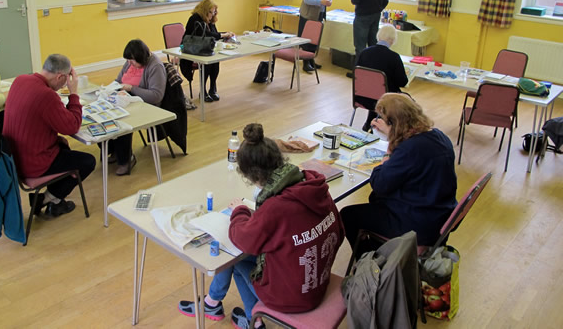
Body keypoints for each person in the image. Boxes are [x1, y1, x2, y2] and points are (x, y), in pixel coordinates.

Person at [178, 124, 344, 329]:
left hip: (293, 297)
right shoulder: (314, 187)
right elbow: (339, 234)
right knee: (246, 257)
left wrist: (240, 210)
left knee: (235, 260)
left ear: (254, 178)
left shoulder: (276, 207)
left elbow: (244, 240)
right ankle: (222, 307)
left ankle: (242, 316)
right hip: (319, 280)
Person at [340, 93, 457, 251]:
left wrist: (390, 147)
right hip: (439, 215)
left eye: (381, 117)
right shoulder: (439, 136)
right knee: (375, 201)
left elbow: (379, 184)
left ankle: (369, 262)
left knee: (348, 215)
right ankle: (380, 250)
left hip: (418, 224)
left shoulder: (410, 149)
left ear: (394, 123)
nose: (377, 121)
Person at [3, 54, 96, 217]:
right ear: (60, 76)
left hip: (13, 156)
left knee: (63, 147)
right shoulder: (47, 95)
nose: (62, 87)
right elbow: (72, 126)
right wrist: (73, 93)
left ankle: (55, 201)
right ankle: (47, 198)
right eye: (64, 82)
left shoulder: (21, 80)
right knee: (88, 162)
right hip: (33, 163)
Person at [109, 39, 166, 175]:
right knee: (106, 113)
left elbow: (156, 96)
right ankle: (114, 150)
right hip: (127, 98)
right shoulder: (130, 62)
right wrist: (110, 90)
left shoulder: (155, 66)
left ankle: (126, 159)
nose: (129, 64)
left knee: (124, 119)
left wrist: (131, 88)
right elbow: (118, 81)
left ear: (141, 57)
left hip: (146, 104)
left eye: (132, 61)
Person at [353, 24, 409, 131]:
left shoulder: (364, 52)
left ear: (378, 37)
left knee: (375, 89)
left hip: (362, 96)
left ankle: (369, 123)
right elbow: (402, 82)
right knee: (406, 99)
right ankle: (396, 129)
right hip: (384, 100)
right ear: (392, 40)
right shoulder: (394, 57)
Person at [180, 0, 233, 102]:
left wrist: (226, 34)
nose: (212, 15)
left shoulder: (210, 20)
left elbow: (214, 34)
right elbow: (205, 35)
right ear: (205, 10)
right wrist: (223, 35)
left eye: (214, 12)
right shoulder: (195, 19)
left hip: (203, 49)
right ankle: (203, 90)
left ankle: (212, 88)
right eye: (211, 12)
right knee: (207, 62)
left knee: (215, 61)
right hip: (191, 49)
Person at [298, 0, 332, 73]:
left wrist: (329, 1)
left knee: (315, 39)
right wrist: (320, 2)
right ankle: (305, 62)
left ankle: (311, 60)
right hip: (309, 15)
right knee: (306, 39)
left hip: (319, 14)